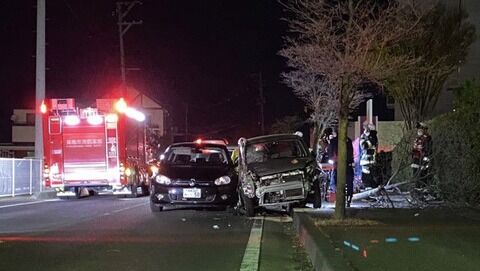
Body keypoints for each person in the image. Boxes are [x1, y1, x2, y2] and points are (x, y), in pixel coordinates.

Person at [327, 130, 355, 207]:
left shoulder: (333, 141)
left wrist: (332, 160)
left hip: (338, 165)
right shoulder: (348, 140)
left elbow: (330, 152)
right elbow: (351, 152)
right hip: (347, 164)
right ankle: (349, 198)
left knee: (336, 182)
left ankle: (339, 199)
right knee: (349, 182)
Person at [411, 122, 432, 188]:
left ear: (424, 130)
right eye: (418, 129)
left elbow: (428, 149)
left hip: (423, 159)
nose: (419, 130)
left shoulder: (427, 138)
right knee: (416, 174)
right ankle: (417, 188)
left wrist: (424, 157)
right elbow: (414, 148)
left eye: (420, 129)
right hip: (416, 159)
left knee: (423, 175)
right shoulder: (417, 138)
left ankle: (423, 189)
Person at [359, 124, 378, 188]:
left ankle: (369, 191)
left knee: (367, 177)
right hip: (368, 161)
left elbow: (364, 146)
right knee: (368, 177)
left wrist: (364, 138)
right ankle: (370, 190)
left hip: (368, 161)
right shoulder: (372, 137)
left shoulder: (372, 138)